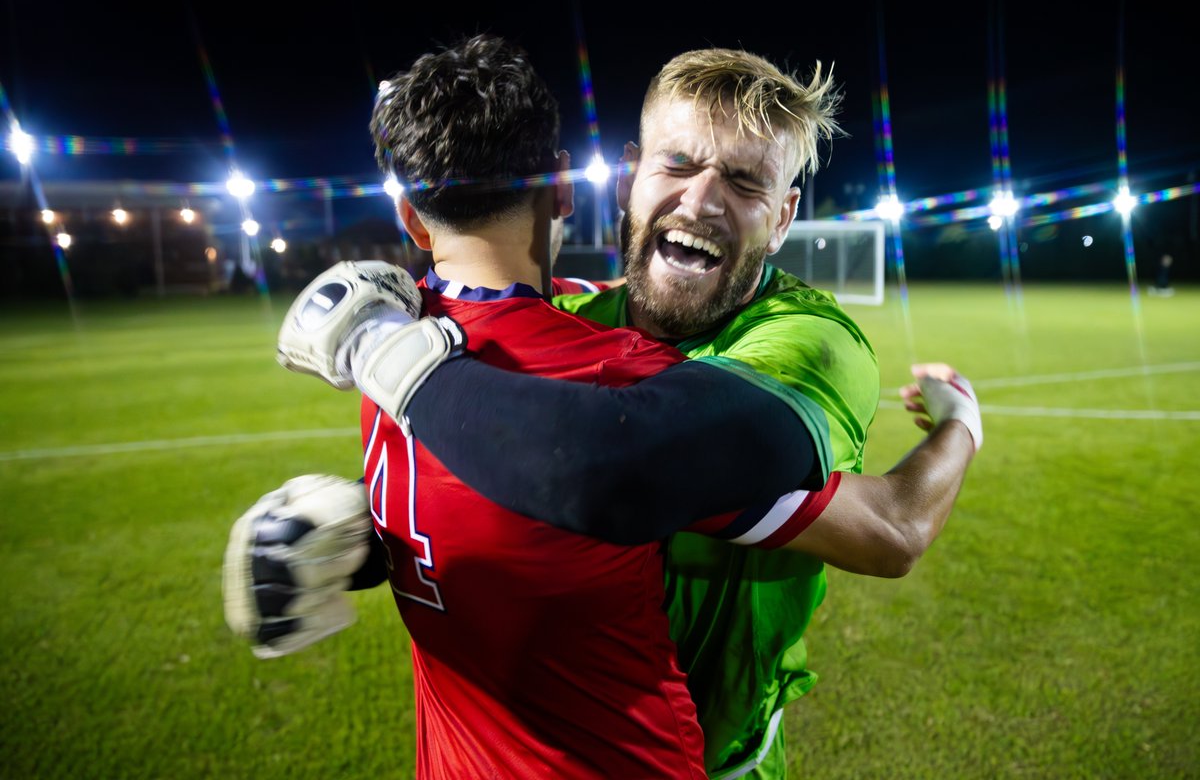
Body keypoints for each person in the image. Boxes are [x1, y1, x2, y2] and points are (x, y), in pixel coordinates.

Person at [226, 38, 981, 779]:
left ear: (783, 220)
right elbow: (516, 493)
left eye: (746, 183)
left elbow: (890, 527)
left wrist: (960, 425)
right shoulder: (569, 324)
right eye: (677, 164)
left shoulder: (812, 343)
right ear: (625, 178)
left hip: (716, 757)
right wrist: (361, 534)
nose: (703, 198)